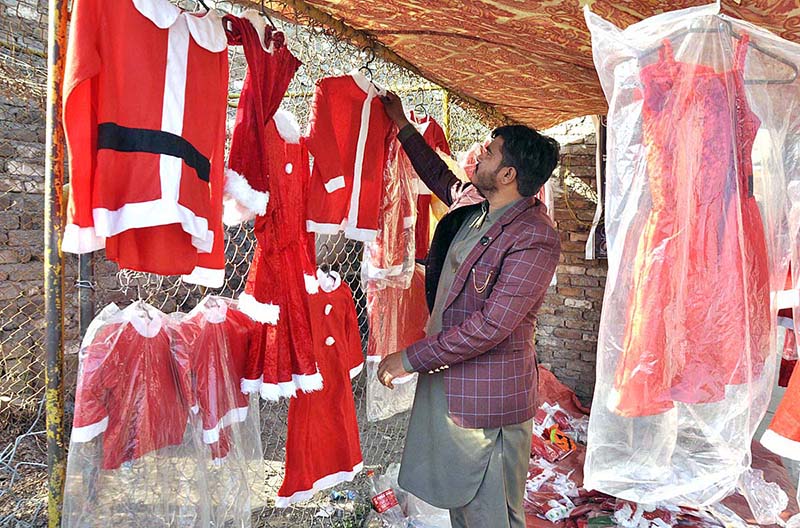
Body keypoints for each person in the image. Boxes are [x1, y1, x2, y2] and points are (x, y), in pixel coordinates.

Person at [377, 91, 561, 528]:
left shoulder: (534, 236)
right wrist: (402, 125)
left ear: (509, 174)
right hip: (453, 383)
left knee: (490, 513)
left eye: (490, 152)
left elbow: (492, 325)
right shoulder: (475, 209)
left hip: (489, 400)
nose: (478, 154)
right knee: (461, 503)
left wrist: (409, 358)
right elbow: (437, 175)